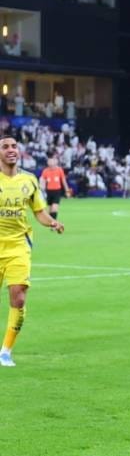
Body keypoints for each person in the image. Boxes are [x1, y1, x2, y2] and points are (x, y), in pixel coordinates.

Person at [0, 135, 64, 366]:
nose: (10, 150)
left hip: (19, 245)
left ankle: (5, 351)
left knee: (18, 297)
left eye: (14, 146)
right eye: (5, 147)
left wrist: (52, 222)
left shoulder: (29, 179)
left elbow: (38, 211)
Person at [39, 155, 71, 221]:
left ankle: (54, 223)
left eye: (51, 162)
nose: (50, 163)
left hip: (57, 191)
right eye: (49, 162)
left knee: (54, 208)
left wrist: (67, 191)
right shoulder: (45, 171)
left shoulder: (59, 170)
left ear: (54, 162)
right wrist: (42, 189)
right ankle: (51, 222)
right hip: (48, 191)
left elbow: (63, 181)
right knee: (50, 209)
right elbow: (42, 180)